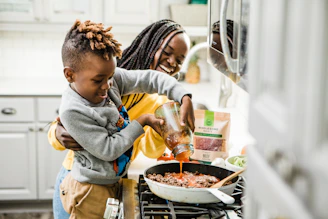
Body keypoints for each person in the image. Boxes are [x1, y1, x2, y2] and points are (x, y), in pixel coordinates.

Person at [48, 19, 191, 219]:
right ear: (149, 45)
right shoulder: (101, 69)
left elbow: (150, 150)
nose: (172, 62)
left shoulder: (115, 79)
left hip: (113, 180)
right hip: (82, 184)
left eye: (180, 60)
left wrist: (179, 101)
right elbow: (67, 123)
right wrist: (56, 133)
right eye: (167, 53)